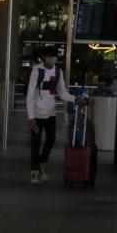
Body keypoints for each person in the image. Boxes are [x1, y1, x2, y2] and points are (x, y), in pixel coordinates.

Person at [25, 46, 78, 184]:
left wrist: (75, 99)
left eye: (54, 56)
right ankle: (34, 171)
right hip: (37, 114)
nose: (53, 59)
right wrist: (30, 117)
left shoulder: (58, 72)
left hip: (50, 114)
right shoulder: (37, 71)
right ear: (44, 57)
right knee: (36, 143)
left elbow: (62, 93)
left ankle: (41, 162)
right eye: (50, 56)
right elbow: (30, 94)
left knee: (51, 140)